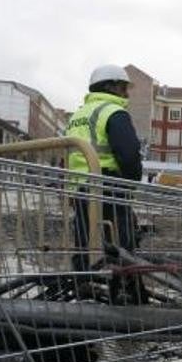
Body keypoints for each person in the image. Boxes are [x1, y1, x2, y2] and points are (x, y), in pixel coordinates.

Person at [66, 64, 145, 303]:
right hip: (109, 186)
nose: (127, 94)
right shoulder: (113, 112)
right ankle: (127, 289)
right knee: (122, 242)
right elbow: (129, 154)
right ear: (110, 86)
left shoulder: (78, 115)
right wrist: (131, 184)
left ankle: (83, 283)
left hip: (81, 189)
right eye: (123, 88)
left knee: (84, 238)